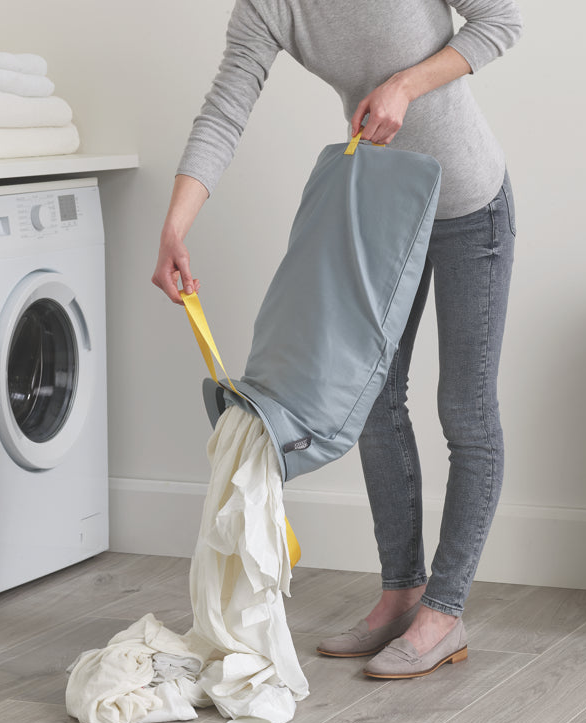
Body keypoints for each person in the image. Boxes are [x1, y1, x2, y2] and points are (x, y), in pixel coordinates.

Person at [152, 0, 522, 679]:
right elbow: (224, 113)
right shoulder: (269, 7)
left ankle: (445, 610)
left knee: (466, 412)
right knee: (375, 401)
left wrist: (407, 83)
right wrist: (175, 227)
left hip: (472, 205)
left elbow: (502, 21)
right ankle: (402, 593)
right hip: (384, 215)